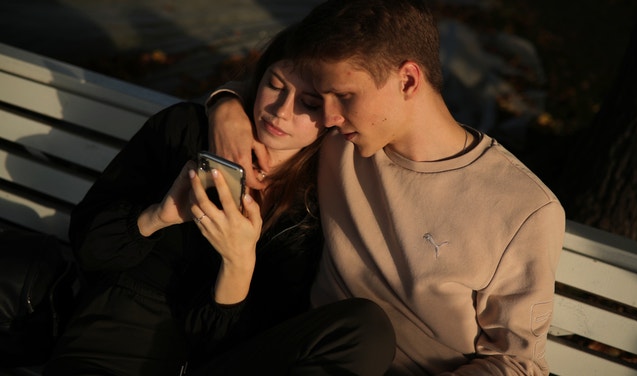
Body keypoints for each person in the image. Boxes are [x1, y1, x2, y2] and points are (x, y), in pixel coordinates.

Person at [206, 0, 566, 375]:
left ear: (408, 80)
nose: (327, 116)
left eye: (344, 96)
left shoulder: (523, 209)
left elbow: (518, 362)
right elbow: (272, 91)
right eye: (322, 97)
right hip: (318, 353)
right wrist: (226, 106)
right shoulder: (337, 138)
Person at [44, 25, 395, 376]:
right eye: (275, 85)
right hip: (114, 339)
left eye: (309, 103)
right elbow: (88, 247)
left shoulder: (312, 205)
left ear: (332, 117)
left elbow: (240, 345)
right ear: (258, 80)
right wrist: (157, 217)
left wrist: (238, 262)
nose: (281, 111)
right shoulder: (183, 130)